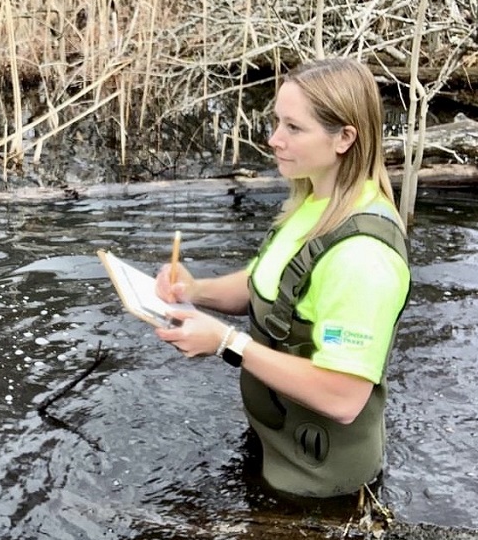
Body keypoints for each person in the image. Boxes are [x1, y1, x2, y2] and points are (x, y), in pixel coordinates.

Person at [153, 57, 411, 499]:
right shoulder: (313, 203)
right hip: (277, 440)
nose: (275, 140)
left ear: (345, 137)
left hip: (318, 481)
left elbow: (343, 397)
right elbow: (269, 285)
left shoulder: (363, 258)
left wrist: (226, 343)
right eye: (277, 121)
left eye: (294, 127)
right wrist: (192, 291)